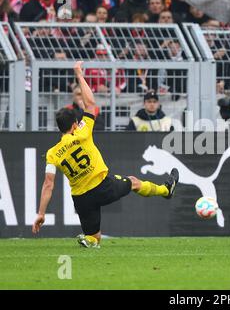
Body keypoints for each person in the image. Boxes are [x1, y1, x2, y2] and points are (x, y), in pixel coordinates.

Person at [32, 62, 179, 248]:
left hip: (81, 199)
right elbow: (91, 104)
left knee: (95, 237)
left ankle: (90, 239)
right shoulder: (82, 133)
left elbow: (48, 184)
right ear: (75, 125)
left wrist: (41, 213)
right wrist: (79, 74)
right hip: (102, 186)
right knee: (133, 182)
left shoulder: (52, 154)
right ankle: (166, 191)